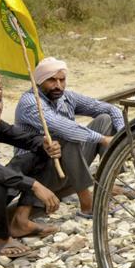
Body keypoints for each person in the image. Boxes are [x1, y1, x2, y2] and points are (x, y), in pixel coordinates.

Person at [0, 69, 62, 258]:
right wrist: (34, 185)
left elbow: (24, 138)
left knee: (40, 154)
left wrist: (45, 144)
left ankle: (21, 221)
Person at [13, 57, 126, 219]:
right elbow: (64, 128)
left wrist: (121, 134)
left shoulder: (66, 96)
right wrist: (104, 139)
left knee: (105, 119)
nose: (58, 85)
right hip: (40, 172)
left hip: (66, 166)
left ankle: (107, 184)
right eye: (51, 80)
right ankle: (87, 205)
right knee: (65, 136)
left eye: (62, 80)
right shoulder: (30, 102)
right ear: (38, 81)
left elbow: (110, 109)